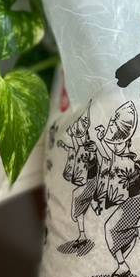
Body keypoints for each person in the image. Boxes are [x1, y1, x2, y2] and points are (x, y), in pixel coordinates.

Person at [93, 101, 140, 277]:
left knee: (110, 229)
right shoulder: (123, 158)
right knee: (113, 230)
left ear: (126, 142)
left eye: (117, 143)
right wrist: (102, 140)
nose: (114, 146)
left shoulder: (126, 161)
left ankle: (128, 249)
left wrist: (101, 140)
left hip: (133, 203)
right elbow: (108, 156)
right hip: (134, 202)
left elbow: (108, 156)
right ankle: (122, 262)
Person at [57, 105, 99, 249]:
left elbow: (92, 158)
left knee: (77, 201)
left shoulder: (89, 147)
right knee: (79, 209)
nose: (76, 139)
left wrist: (93, 151)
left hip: (91, 183)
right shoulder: (79, 147)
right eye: (75, 136)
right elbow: (73, 150)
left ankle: (93, 205)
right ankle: (82, 235)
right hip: (87, 184)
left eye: (78, 135)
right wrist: (64, 146)